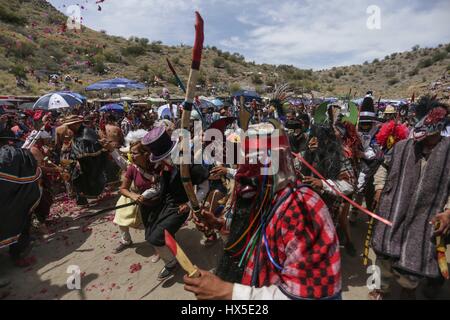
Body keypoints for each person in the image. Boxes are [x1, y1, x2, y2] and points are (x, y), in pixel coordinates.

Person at [185, 121, 341, 300]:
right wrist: (219, 223)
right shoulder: (257, 192)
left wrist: (227, 292)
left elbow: (308, 295)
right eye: (243, 162)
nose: (244, 172)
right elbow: (255, 226)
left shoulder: (304, 209)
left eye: (254, 162)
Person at [370, 95, 450, 300]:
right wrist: (379, 188)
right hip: (393, 214)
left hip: (424, 221)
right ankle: (378, 290)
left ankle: (408, 290)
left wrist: (449, 211)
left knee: (413, 267)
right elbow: (383, 167)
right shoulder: (402, 146)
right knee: (381, 262)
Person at [141, 126, 209, 280]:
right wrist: (147, 195)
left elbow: (205, 187)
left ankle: (171, 263)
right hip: (165, 203)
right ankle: (167, 249)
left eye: (163, 157)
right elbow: (161, 187)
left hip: (181, 206)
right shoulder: (164, 164)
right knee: (150, 227)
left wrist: (190, 204)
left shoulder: (189, 161)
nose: (161, 161)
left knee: (156, 238)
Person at [0, 123, 41, 267]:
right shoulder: (16, 154)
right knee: (20, 220)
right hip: (16, 201)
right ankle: (18, 253)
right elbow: (35, 174)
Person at [114, 138, 161, 258]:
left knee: (156, 227)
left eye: (134, 153)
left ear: (145, 154)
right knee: (122, 217)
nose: (131, 156)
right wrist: (133, 195)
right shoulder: (132, 168)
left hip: (158, 202)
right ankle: (126, 240)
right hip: (138, 200)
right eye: (130, 153)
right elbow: (123, 188)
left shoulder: (157, 166)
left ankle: (160, 249)